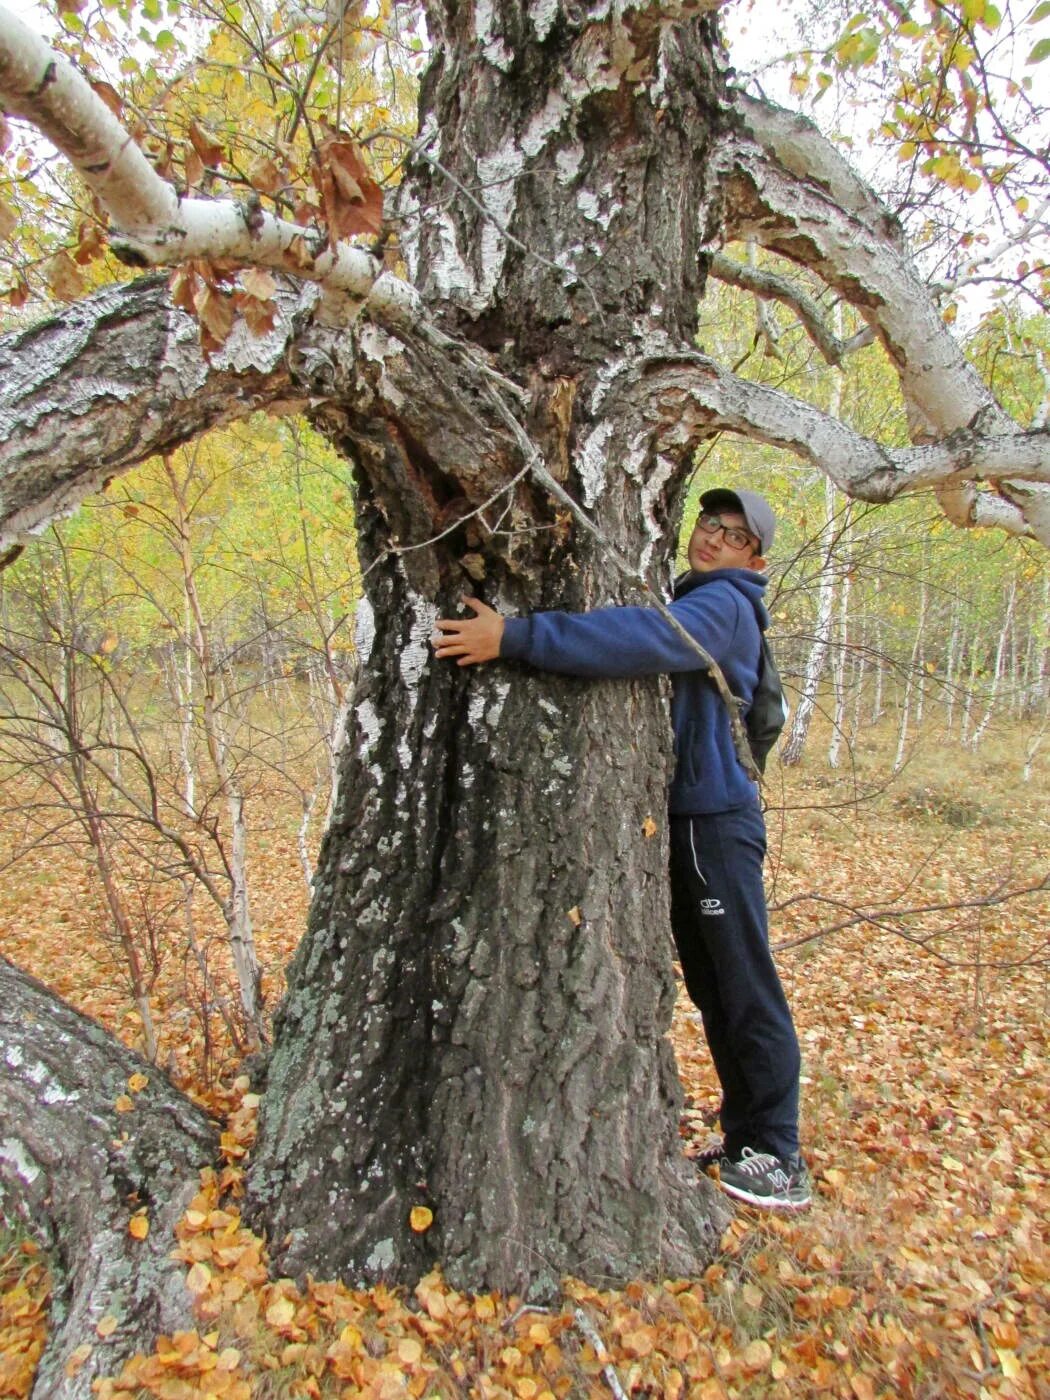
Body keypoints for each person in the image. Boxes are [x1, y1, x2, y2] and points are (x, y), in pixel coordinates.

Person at [431, 487, 810, 1211]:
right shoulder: (701, 597)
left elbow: (640, 639)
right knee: (715, 986)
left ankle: (778, 1154)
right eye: (709, 524)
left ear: (755, 560)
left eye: (733, 536)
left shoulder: (725, 605)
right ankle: (748, 1143)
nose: (711, 539)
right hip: (698, 821)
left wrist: (515, 637)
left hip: (714, 824)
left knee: (743, 984)